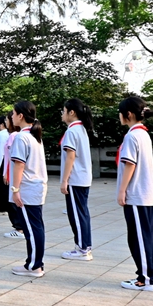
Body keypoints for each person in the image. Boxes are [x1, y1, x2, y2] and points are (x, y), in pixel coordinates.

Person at [117, 96, 153, 291]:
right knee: (146, 236)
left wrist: (122, 190)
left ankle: (147, 278)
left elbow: (129, 164)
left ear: (129, 114)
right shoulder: (143, 134)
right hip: (145, 194)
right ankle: (149, 275)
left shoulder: (132, 136)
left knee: (138, 238)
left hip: (136, 194)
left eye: (120, 112)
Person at [9, 100, 48, 277]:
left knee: (32, 228)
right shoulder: (34, 136)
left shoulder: (22, 137)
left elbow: (19, 165)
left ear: (21, 115)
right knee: (36, 226)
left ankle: (34, 265)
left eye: (13, 113)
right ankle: (34, 263)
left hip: (27, 188)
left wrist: (15, 190)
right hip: (36, 187)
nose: (11, 116)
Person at [61, 98, 95, 261]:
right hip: (83, 177)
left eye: (64, 110)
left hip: (75, 179)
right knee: (82, 213)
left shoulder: (72, 131)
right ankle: (83, 246)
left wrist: (64, 180)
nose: (62, 114)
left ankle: (82, 248)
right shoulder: (80, 129)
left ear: (71, 112)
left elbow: (70, 157)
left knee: (77, 214)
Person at [1, 114, 26, 239]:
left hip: (12, 171)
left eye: (7, 119)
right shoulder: (17, 135)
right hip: (11, 170)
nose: (5, 121)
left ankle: (19, 228)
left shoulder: (13, 136)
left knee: (13, 200)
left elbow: (11, 158)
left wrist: (6, 172)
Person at [0, 116, 11, 215]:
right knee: (1, 185)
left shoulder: (1, 135)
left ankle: (3, 207)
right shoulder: (6, 134)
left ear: (1, 124)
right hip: (3, 159)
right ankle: (3, 206)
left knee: (1, 186)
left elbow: (1, 151)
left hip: (1, 159)